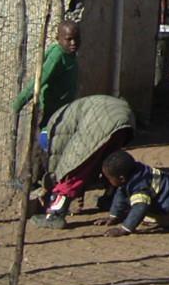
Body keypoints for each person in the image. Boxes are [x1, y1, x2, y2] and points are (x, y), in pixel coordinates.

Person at [32, 94, 135, 229]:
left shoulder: (56, 130)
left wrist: (57, 181)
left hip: (101, 120)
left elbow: (67, 162)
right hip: (123, 118)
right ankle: (112, 200)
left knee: (72, 173)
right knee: (108, 164)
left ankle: (55, 215)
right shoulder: (65, 117)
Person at [97, 150, 169, 235]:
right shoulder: (133, 173)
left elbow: (140, 207)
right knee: (134, 208)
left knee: (147, 217)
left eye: (109, 178)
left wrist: (125, 229)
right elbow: (121, 195)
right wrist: (113, 216)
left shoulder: (140, 186)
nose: (108, 181)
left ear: (121, 178)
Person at [12, 20, 80, 127]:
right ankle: (42, 143)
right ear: (58, 39)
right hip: (51, 109)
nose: (73, 43)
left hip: (63, 108)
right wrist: (18, 103)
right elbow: (40, 79)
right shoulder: (57, 56)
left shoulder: (70, 55)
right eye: (69, 39)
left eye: (76, 39)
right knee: (46, 133)